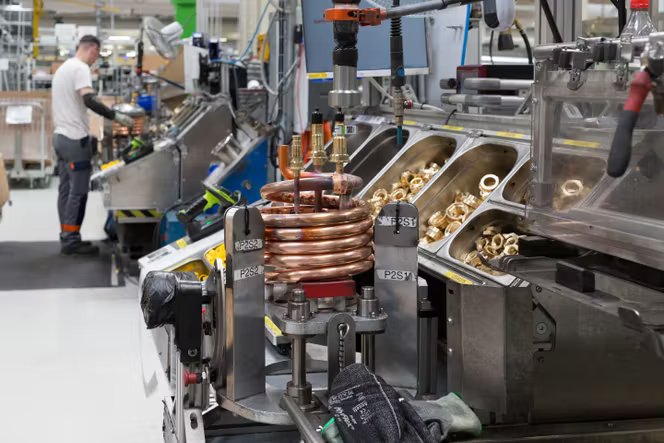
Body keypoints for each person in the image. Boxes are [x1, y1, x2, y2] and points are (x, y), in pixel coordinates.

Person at [51, 35, 134, 256]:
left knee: (65, 190)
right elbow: (88, 99)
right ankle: (71, 241)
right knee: (78, 192)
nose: (96, 59)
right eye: (97, 55)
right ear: (93, 49)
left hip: (60, 137)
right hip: (75, 139)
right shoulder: (80, 68)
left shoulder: (63, 68)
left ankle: (66, 235)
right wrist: (115, 116)